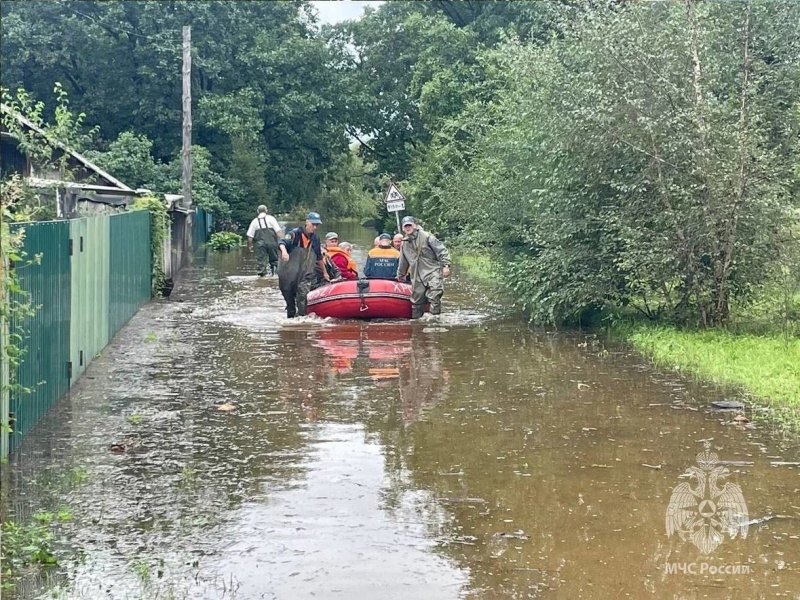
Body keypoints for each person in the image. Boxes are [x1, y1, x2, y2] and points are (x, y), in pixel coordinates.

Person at [396, 216, 451, 318]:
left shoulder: (427, 237)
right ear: (403, 228)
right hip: (417, 274)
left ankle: (435, 321)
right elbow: (403, 261)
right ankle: (417, 324)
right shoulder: (404, 243)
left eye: (410, 225)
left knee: (435, 295)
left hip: (432, 270)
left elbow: (442, 251)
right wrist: (400, 274)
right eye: (406, 226)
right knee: (416, 302)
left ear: (415, 225)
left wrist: (446, 265)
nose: (408, 228)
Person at [277, 212, 328, 318]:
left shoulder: (315, 239)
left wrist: (325, 272)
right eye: (313, 224)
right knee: (290, 304)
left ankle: (302, 322)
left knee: (303, 297)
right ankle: (291, 321)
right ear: (307, 222)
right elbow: (281, 242)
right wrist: (284, 252)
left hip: (304, 275)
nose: (314, 227)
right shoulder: (295, 234)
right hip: (288, 274)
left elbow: (319, 258)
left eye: (316, 225)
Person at [246, 205, 283, 276]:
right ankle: (274, 275)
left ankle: (261, 277)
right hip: (272, 243)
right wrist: (282, 243)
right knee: (274, 260)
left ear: (257, 211)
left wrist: (250, 246)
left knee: (261, 262)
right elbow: (278, 232)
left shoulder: (254, 221)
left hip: (261, 245)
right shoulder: (271, 218)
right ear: (266, 211)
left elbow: (250, 236)